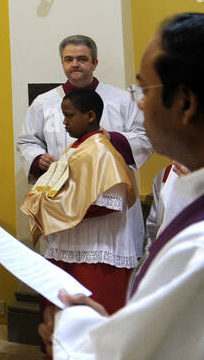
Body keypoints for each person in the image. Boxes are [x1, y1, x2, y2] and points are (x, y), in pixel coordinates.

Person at [45, 13, 204, 360]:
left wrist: (75, 328)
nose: (139, 102)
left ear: (186, 103)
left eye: (144, 88)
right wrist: (122, 332)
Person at [17, 35, 151, 259]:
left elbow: (144, 138)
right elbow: (26, 141)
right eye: (68, 59)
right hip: (62, 200)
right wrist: (38, 158)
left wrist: (111, 138)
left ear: (94, 63)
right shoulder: (44, 102)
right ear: (62, 63)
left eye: (82, 59)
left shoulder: (121, 99)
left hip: (109, 205)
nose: (75, 64)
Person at [23, 87, 138, 334]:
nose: (64, 122)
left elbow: (110, 201)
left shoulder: (102, 150)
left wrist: (53, 209)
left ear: (90, 116)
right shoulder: (77, 148)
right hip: (70, 246)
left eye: (69, 115)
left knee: (93, 324)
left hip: (97, 252)